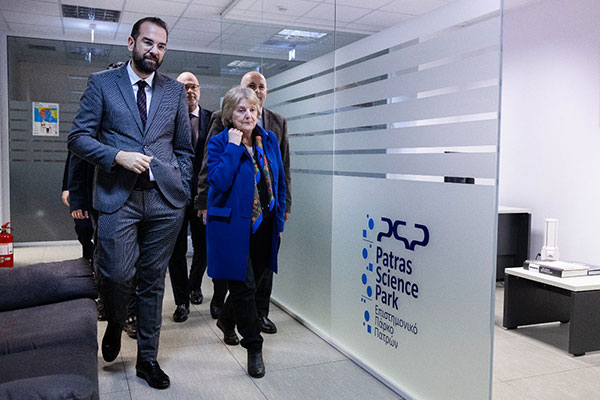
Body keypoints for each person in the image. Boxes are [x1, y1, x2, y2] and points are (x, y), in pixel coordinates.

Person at [68, 17, 193, 390]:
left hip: (164, 200)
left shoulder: (174, 91)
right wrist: (116, 156)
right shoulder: (102, 83)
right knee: (116, 275)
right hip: (116, 198)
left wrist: (182, 186)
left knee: (153, 281)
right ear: (131, 43)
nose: (154, 51)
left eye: (161, 46)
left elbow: (184, 148)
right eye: (148, 42)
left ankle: (147, 360)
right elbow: (78, 138)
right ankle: (115, 319)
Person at [197, 71, 291, 333]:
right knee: (241, 279)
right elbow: (212, 171)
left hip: (266, 217)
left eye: (261, 87)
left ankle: (235, 318)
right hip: (233, 215)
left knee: (259, 276)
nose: (248, 114)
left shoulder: (274, 129)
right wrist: (203, 201)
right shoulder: (222, 128)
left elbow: (282, 172)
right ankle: (250, 338)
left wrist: (283, 208)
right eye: (252, 86)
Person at [167, 72, 213, 323]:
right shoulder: (168, 119)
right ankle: (181, 301)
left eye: (193, 86)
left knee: (203, 246)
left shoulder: (212, 119)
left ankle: (194, 285)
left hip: (203, 195)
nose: (189, 91)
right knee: (176, 250)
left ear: (199, 90)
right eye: (184, 87)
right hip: (174, 194)